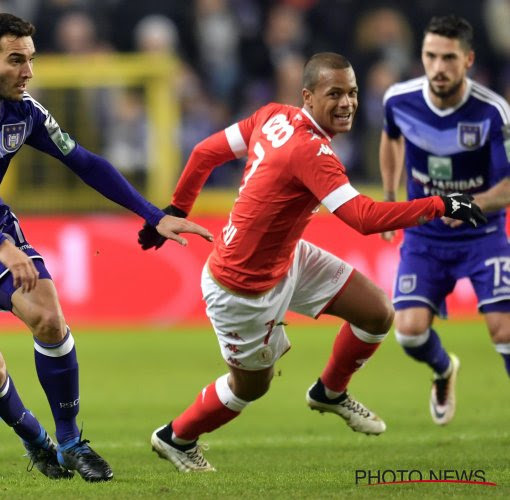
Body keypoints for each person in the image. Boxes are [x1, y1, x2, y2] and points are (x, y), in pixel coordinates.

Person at [0, 12, 212, 483]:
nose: (28, 72)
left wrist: (153, 214)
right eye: (16, 61)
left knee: (49, 316)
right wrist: (1, 246)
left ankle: (73, 441)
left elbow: (84, 162)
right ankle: (36, 439)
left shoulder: (23, 111)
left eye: (31, 60)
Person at [137, 52, 487, 473]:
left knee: (377, 312)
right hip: (241, 287)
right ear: (308, 95)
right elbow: (363, 218)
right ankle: (176, 436)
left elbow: (204, 153)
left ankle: (330, 391)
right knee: (250, 389)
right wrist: (442, 203)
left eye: (353, 93)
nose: (347, 103)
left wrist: (175, 209)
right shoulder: (311, 152)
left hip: (286, 258)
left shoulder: (272, 115)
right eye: (334, 93)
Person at [379, 15, 510, 426]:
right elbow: (392, 138)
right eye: (430, 56)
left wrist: (467, 206)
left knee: (504, 331)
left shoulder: (493, 113)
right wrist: (388, 197)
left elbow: (507, 187)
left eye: (448, 58)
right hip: (425, 236)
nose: (438, 67)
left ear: (468, 59)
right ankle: (443, 370)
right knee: (409, 333)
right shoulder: (399, 101)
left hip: (483, 234)